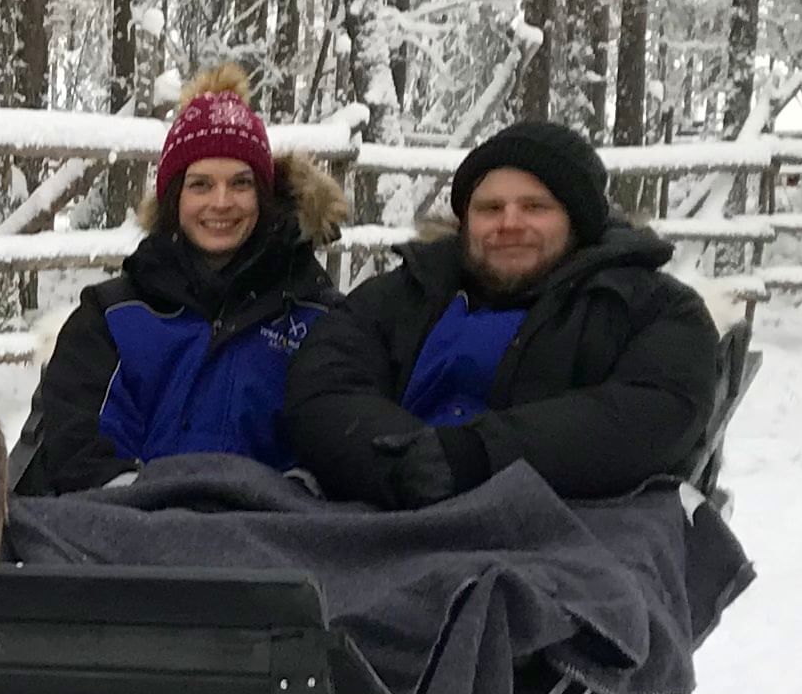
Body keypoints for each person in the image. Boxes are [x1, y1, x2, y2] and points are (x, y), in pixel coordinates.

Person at [285, 117, 726, 509]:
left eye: (535, 207)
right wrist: (401, 460)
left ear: (579, 221)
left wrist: (477, 456)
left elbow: (649, 414)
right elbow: (325, 384)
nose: (509, 223)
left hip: (562, 525)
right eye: (490, 208)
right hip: (385, 508)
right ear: (465, 221)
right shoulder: (406, 293)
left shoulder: (649, 307)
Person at [10, 63, 349, 495]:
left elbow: (335, 443)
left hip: (274, 542)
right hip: (127, 542)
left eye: (241, 183)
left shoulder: (321, 319)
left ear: (263, 196)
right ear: (175, 197)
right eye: (201, 185)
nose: (221, 203)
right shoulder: (111, 318)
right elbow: (78, 444)